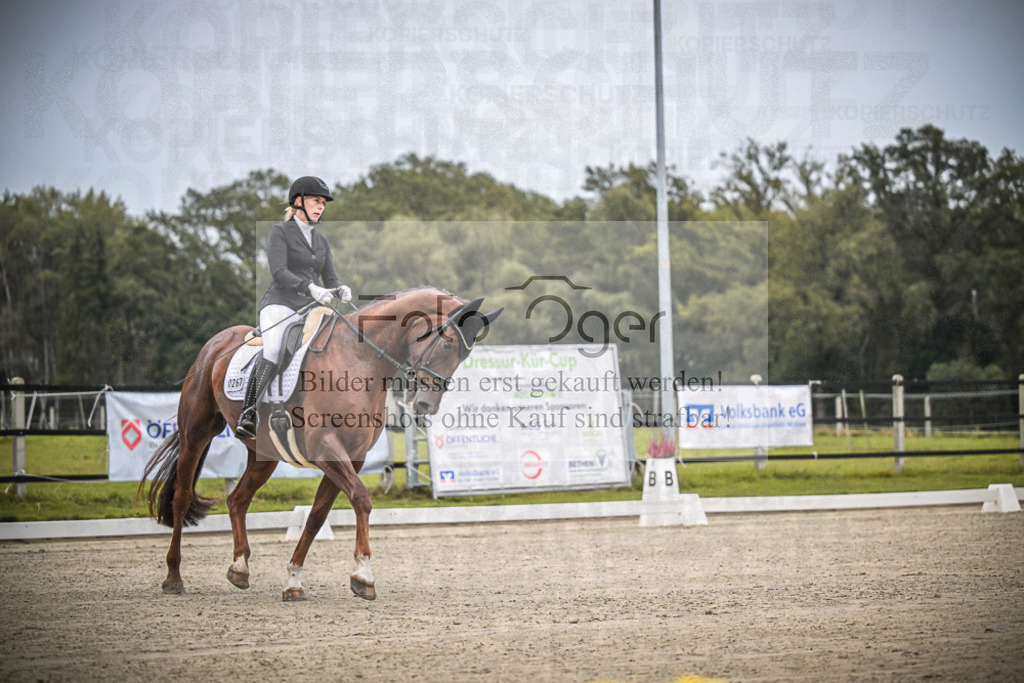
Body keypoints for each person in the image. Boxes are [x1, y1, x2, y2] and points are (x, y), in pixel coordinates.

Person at [235, 175, 352, 439]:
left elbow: (330, 278)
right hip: (281, 304)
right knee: (275, 347)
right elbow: (279, 272)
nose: (320, 207)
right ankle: (249, 412)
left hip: (312, 308)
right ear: (298, 202)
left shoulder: (321, 241)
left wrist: (339, 288)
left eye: (323, 202)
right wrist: (311, 288)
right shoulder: (280, 232)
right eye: (315, 201)